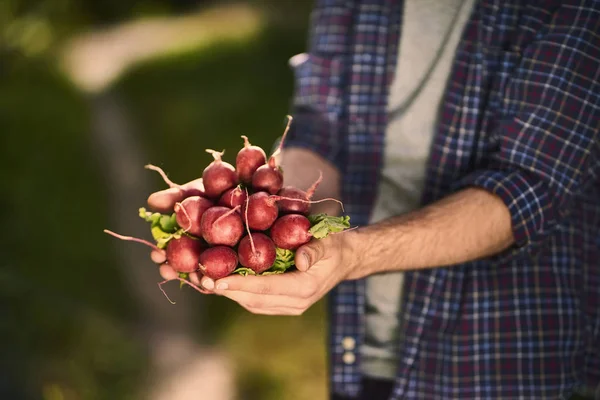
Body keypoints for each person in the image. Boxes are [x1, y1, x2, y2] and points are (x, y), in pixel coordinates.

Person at [148, 0, 600, 399]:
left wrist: (351, 253)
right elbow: (319, 121)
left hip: (503, 360)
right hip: (360, 348)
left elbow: (528, 188)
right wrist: (296, 208)